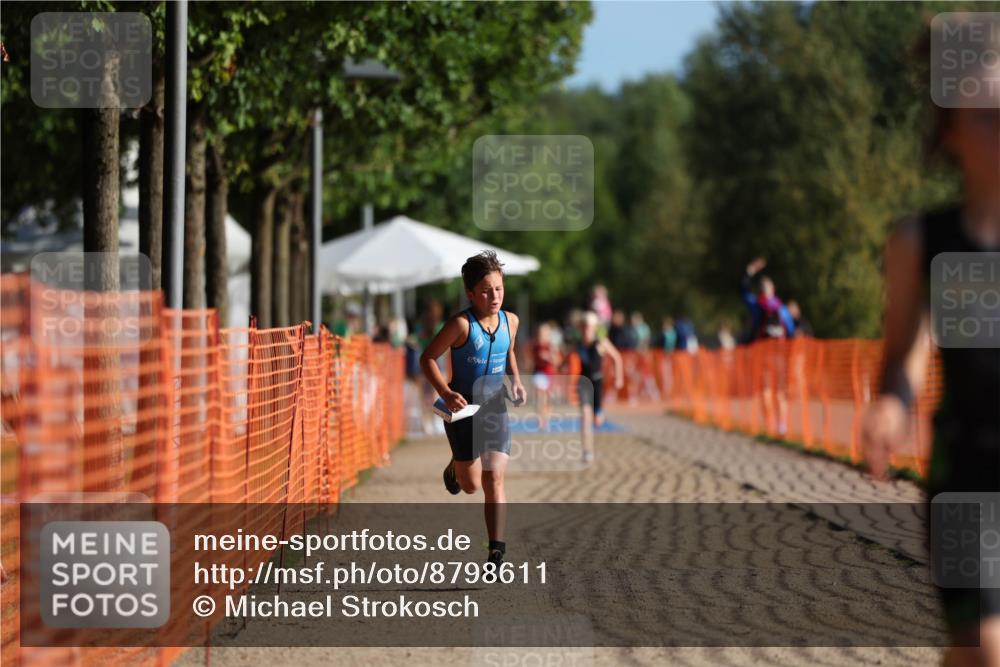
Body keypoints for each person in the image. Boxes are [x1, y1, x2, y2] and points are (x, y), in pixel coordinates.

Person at [862, 24, 1000, 667]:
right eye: (989, 118)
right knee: (986, 647)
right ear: (951, 134)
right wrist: (892, 404)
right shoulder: (920, 242)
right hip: (966, 472)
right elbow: (904, 351)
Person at [420, 251, 526, 568]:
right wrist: (446, 392)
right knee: (471, 485)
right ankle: (456, 466)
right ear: (470, 293)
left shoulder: (511, 321)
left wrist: (516, 382)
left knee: (495, 477)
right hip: (462, 408)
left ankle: (496, 551)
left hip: (494, 407)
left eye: (499, 289)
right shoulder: (460, 325)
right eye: (485, 291)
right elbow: (427, 358)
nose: (494, 297)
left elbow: (509, 351)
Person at [575, 311, 624, 462]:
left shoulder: (601, 342)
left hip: (597, 383)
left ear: (594, 328)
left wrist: (619, 378)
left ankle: (595, 439)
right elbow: (568, 357)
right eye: (584, 326)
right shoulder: (579, 344)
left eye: (589, 326)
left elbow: (617, 357)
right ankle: (587, 450)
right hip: (584, 383)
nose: (586, 329)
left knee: (597, 420)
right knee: (585, 416)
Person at [531, 322, 561, 430]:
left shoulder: (551, 346)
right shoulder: (535, 346)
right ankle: (539, 419)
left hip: (549, 374)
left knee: (548, 399)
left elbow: (557, 361)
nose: (541, 337)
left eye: (543, 335)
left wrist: (548, 357)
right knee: (540, 396)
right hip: (538, 374)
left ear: (548, 335)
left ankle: (546, 419)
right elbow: (531, 360)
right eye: (539, 334)